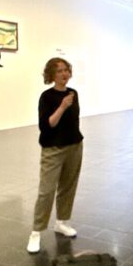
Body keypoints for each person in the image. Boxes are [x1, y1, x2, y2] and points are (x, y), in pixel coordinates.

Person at [27, 57, 83, 254]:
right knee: (47, 191)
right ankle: (36, 232)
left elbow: (73, 121)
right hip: (53, 149)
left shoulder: (73, 93)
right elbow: (47, 125)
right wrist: (62, 106)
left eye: (66, 70)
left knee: (68, 186)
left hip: (74, 146)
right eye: (59, 71)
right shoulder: (47, 97)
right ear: (51, 74)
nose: (64, 74)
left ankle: (61, 222)